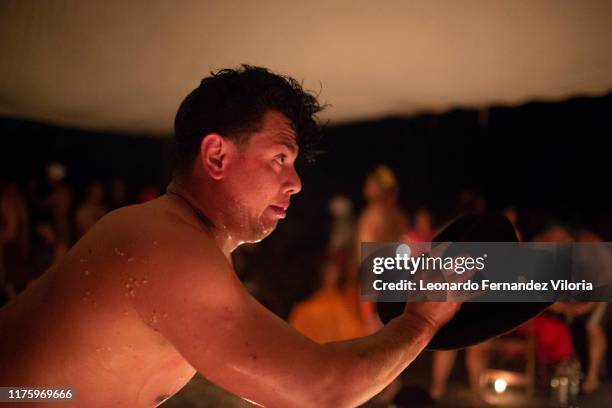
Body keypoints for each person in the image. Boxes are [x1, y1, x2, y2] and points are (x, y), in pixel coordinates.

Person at [0, 66, 460, 407]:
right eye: (280, 158)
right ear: (216, 156)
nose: (296, 183)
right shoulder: (168, 249)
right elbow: (322, 390)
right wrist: (420, 321)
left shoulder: (174, 238)